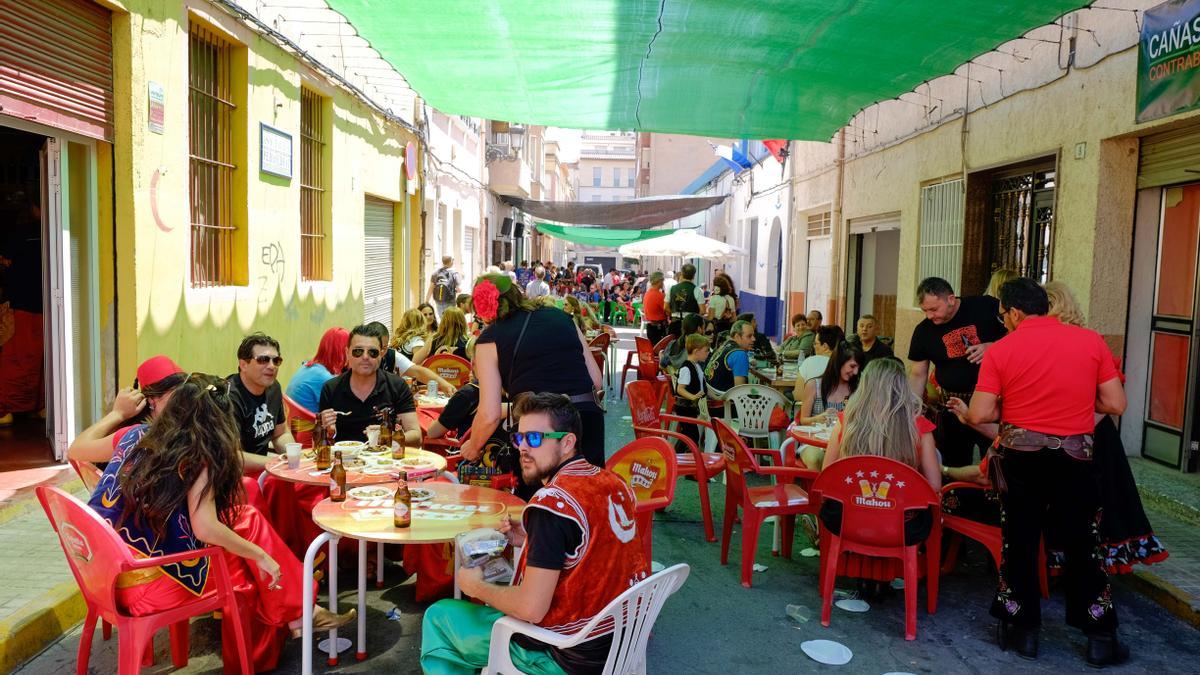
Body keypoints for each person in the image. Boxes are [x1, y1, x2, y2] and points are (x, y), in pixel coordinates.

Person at [86, 373, 354, 672]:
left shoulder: (136, 435)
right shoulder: (197, 456)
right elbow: (204, 528)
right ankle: (292, 618)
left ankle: (298, 613)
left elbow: (78, 450)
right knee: (244, 567)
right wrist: (261, 555)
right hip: (144, 585)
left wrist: (116, 416)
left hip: (103, 571)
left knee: (243, 520)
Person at [957, 278, 1128, 667]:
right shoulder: (1090, 341)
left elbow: (980, 413)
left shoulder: (1003, 350)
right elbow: (1116, 403)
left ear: (1015, 312)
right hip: (1075, 457)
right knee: (1085, 544)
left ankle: (1025, 633)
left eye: (1003, 315)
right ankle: (1100, 637)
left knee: (1019, 539)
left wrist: (1013, 408)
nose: (1003, 323)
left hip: (1022, 458)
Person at [420, 393, 649, 674]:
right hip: (621, 641)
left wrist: (475, 587)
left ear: (567, 442)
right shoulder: (612, 481)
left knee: (439, 616)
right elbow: (596, 552)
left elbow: (531, 609)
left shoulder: (552, 503)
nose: (523, 448)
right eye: (520, 438)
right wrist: (530, 541)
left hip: (564, 654)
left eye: (536, 439)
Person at [464, 274, 605, 468]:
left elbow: (490, 414)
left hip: (540, 431)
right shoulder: (561, 316)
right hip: (586, 420)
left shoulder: (489, 339)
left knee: (537, 497)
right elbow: (596, 381)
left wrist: (473, 447)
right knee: (586, 492)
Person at [818, 358, 941, 573]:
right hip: (901, 527)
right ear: (902, 387)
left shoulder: (846, 421)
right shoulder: (920, 427)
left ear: (865, 385)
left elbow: (827, 474)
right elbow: (934, 487)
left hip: (847, 521)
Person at [907, 276, 1006, 468]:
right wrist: (912, 408)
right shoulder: (923, 331)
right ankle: (961, 497)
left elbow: (1019, 336)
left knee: (997, 462)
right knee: (954, 463)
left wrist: (992, 347)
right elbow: (918, 374)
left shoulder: (985, 306)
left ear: (951, 299)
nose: (929, 316)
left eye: (934, 309)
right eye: (924, 310)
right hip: (952, 406)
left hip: (992, 403)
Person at [318, 324, 421, 445]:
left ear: (382, 353)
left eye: (372, 352)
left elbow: (416, 436)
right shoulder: (331, 388)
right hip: (346, 459)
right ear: (347, 353)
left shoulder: (397, 386)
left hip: (384, 459)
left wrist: (387, 437)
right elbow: (321, 442)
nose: (365, 357)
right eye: (358, 351)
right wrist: (326, 431)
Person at [0, 195, 44, 426]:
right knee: (42, 362)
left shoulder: (21, 234)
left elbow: (5, 262)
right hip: (50, 308)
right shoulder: (59, 230)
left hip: (21, 307)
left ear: (34, 209)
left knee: (15, 360)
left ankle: (5, 410)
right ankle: (41, 406)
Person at [227, 333, 293, 472]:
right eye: (263, 360)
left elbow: (280, 433)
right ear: (243, 364)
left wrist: (293, 456)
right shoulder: (229, 397)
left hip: (263, 467)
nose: (272, 366)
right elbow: (232, 457)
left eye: (276, 361)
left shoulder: (274, 388)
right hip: (233, 474)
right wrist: (277, 462)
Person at [797, 344, 864, 469]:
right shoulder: (814, 385)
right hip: (814, 442)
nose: (855, 372)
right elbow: (803, 420)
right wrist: (817, 418)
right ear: (839, 362)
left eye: (858, 368)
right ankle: (819, 488)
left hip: (843, 443)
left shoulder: (856, 389)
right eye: (852, 366)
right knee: (815, 458)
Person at [285, 327, 349, 414]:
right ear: (343, 352)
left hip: (293, 420)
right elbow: (344, 409)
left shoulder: (308, 366)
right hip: (310, 424)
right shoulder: (325, 379)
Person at [674, 334, 711, 453]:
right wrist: (693, 397)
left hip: (690, 407)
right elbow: (680, 389)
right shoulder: (686, 368)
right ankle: (686, 461)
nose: (708, 353)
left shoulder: (696, 366)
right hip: (685, 407)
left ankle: (674, 457)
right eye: (706, 351)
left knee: (687, 435)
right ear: (696, 351)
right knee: (692, 437)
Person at [704, 319, 754, 395]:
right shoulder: (739, 354)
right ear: (737, 336)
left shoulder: (722, 347)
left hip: (707, 401)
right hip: (724, 404)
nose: (754, 339)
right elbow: (740, 393)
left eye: (753, 335)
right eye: (749, 336)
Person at [795, 325, 843, 389]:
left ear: (825, 346)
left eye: (815, 343)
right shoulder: (847, 364)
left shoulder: (810, 362)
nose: (814, 346)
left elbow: (799, 392)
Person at [666, 263, 704, 337]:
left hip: (675, 323)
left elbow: (665, 307)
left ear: (682, 274)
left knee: (675, 346)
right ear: (693, 276)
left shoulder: (672, 288)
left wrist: (672, 314)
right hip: (691, 325)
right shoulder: (697, 290)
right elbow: (702, 311)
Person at [643, 272, 669, 348]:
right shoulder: (659, 295)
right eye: (662, 281)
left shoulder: (647, 293)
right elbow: (667, 310)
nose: (663, 283)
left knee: (653, 348)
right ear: (659, 281)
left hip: (650, 326)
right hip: (658, 327)